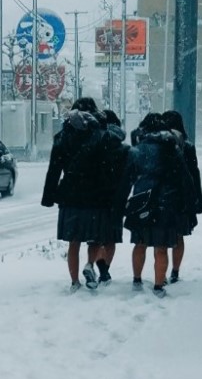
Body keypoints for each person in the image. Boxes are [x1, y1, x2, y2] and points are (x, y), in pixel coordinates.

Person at [40, 96, 106, 288]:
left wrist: (49, 197)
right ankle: (90, 264)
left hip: (69, 194)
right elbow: (106, 167)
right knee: (94, 237)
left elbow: (54, 169)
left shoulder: (62, 137)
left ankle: (74, 281)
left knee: (73, 241)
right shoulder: (100, 135)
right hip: (95, 193)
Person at [124, 111, 187, 294]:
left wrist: (122, 201)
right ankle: (159, 286)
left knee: (140, 243)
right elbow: (182, 178)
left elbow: (127, 178)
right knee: (161, 247)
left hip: (141, 200)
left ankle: (137, 280)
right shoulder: (171, 148)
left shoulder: (137, 150)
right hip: (165, 202)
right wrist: (184, 201)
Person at [84, 108, 133, 287]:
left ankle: (91, 263)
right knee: (110, 238)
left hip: (93, 197)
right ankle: (104, 271)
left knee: (94, 238)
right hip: (115, 198)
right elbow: (129, 176)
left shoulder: (93, 143)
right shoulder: (123, 148)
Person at [162, 107, 202, 283]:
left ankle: (160, 273)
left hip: (163, 196)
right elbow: (194, 173)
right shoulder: (187, 146)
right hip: (182, 197)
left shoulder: (161, 144)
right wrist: (197, 200)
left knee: (163, 237)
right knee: (179, 236)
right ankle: (175, 271)